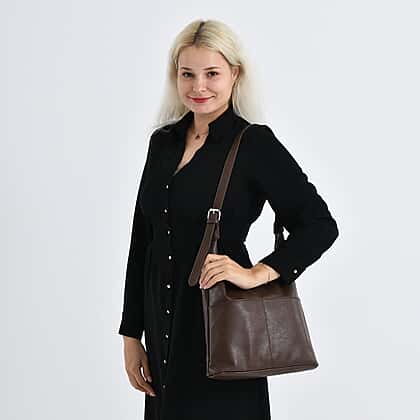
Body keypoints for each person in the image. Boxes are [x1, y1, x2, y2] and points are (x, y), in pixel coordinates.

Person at [117, 19, 339, 420]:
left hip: (222, 331)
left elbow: (319, 225)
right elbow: (142, 240)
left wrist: (259, 273)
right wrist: (131, 334)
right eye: (187, 74)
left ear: (235, 74)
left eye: (212, 73)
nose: (199, 86)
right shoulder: (162, 143)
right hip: (162, 333)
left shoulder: (255, 144)